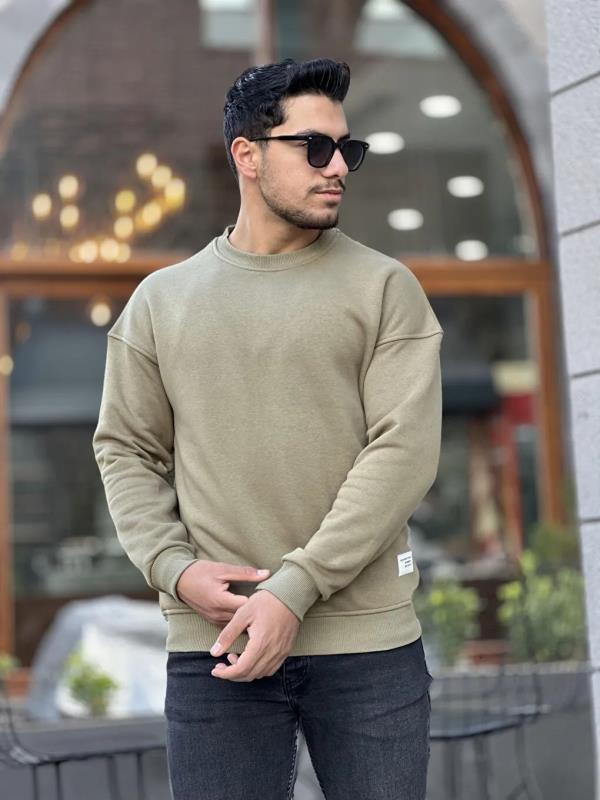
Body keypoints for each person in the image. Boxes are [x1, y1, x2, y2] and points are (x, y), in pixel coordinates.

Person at [93, 56, 443, 800]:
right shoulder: (160, 302)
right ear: (247, 155)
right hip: (216, 642)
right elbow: (125, 449)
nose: (338, 167)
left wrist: (294, 589)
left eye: (347, 149)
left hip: (367, 646)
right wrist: (173, 567)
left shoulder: (385, 288)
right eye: (314, 147)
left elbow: (403, 452)